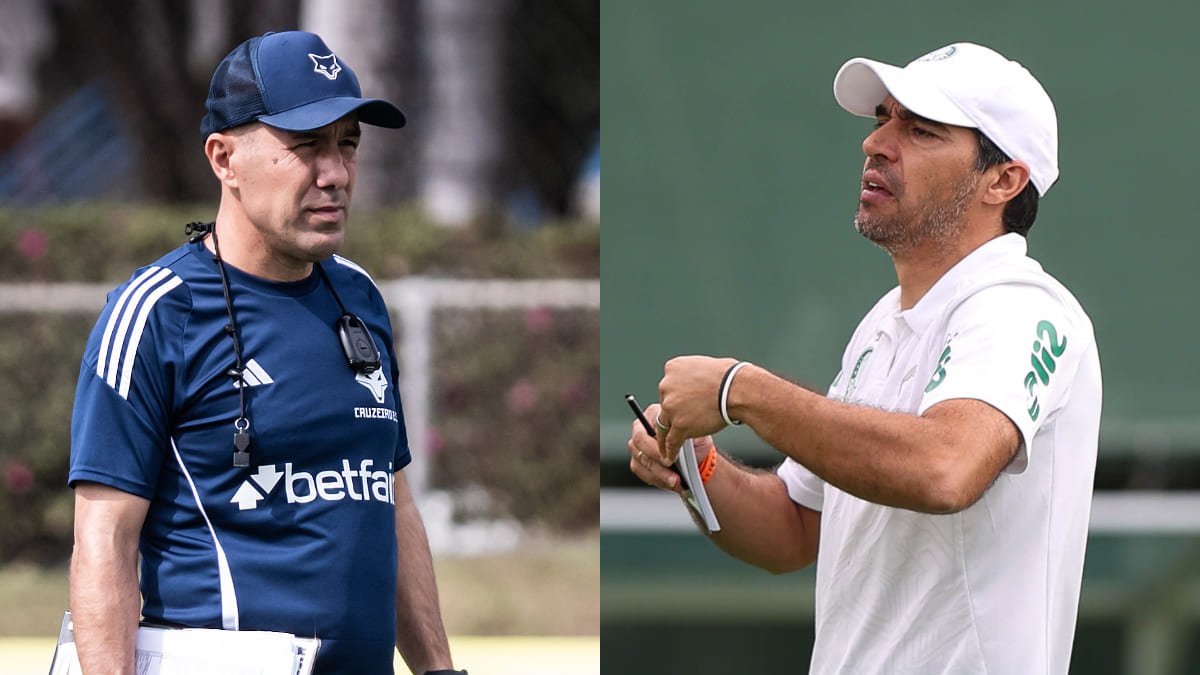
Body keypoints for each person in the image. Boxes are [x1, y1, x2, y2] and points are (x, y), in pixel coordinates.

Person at [628, 42, 1101, 674]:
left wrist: (740, 391)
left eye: (922, 130)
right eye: (883, 118)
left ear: (1004, 180)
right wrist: (695, 463)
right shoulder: (884, 324)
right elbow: (791, 531)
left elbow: (946, 468)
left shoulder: (1021, 306)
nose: (876, 143)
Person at [68, 30, 465, 675]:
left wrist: (440, 670)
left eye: (348, 145)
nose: (335, 173)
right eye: (306, 146)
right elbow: (104, 541)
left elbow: (389, 500)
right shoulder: (158, 311)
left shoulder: (359, 295)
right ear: (224, 159)